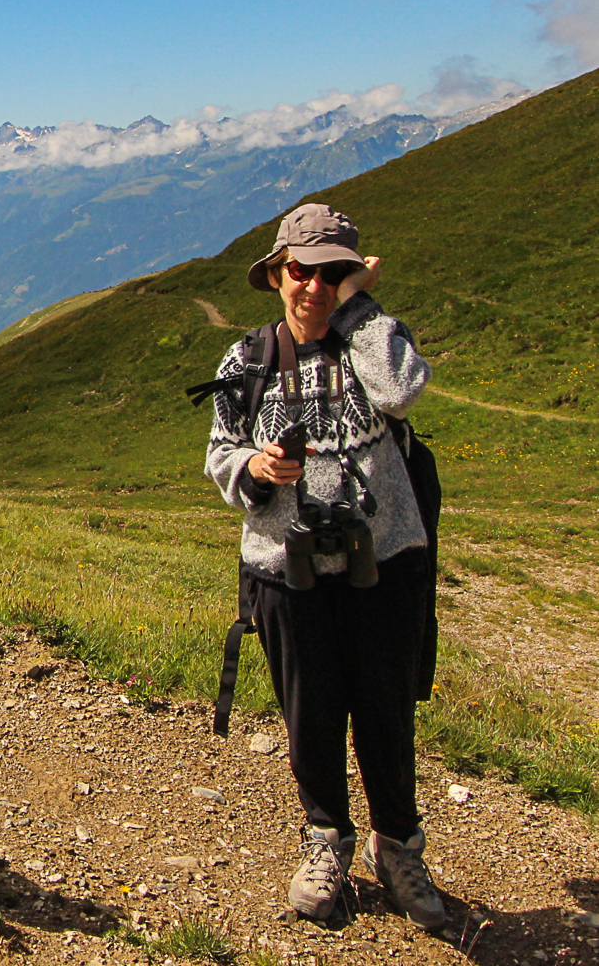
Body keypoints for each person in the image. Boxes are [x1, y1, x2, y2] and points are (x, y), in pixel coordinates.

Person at [204, 203, 446, 930]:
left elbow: (403, 392)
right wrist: (257, 467)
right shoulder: (246, 361)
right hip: (287, 570)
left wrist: (358, 305)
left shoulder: (372, 341)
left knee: (385, 712)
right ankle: (326, 840)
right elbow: (219, 452)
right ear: (277, 273)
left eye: (330, 272)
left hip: (385, 566)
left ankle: (398, 846)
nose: (312, 287)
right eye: (301, 271)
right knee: (309, 718)